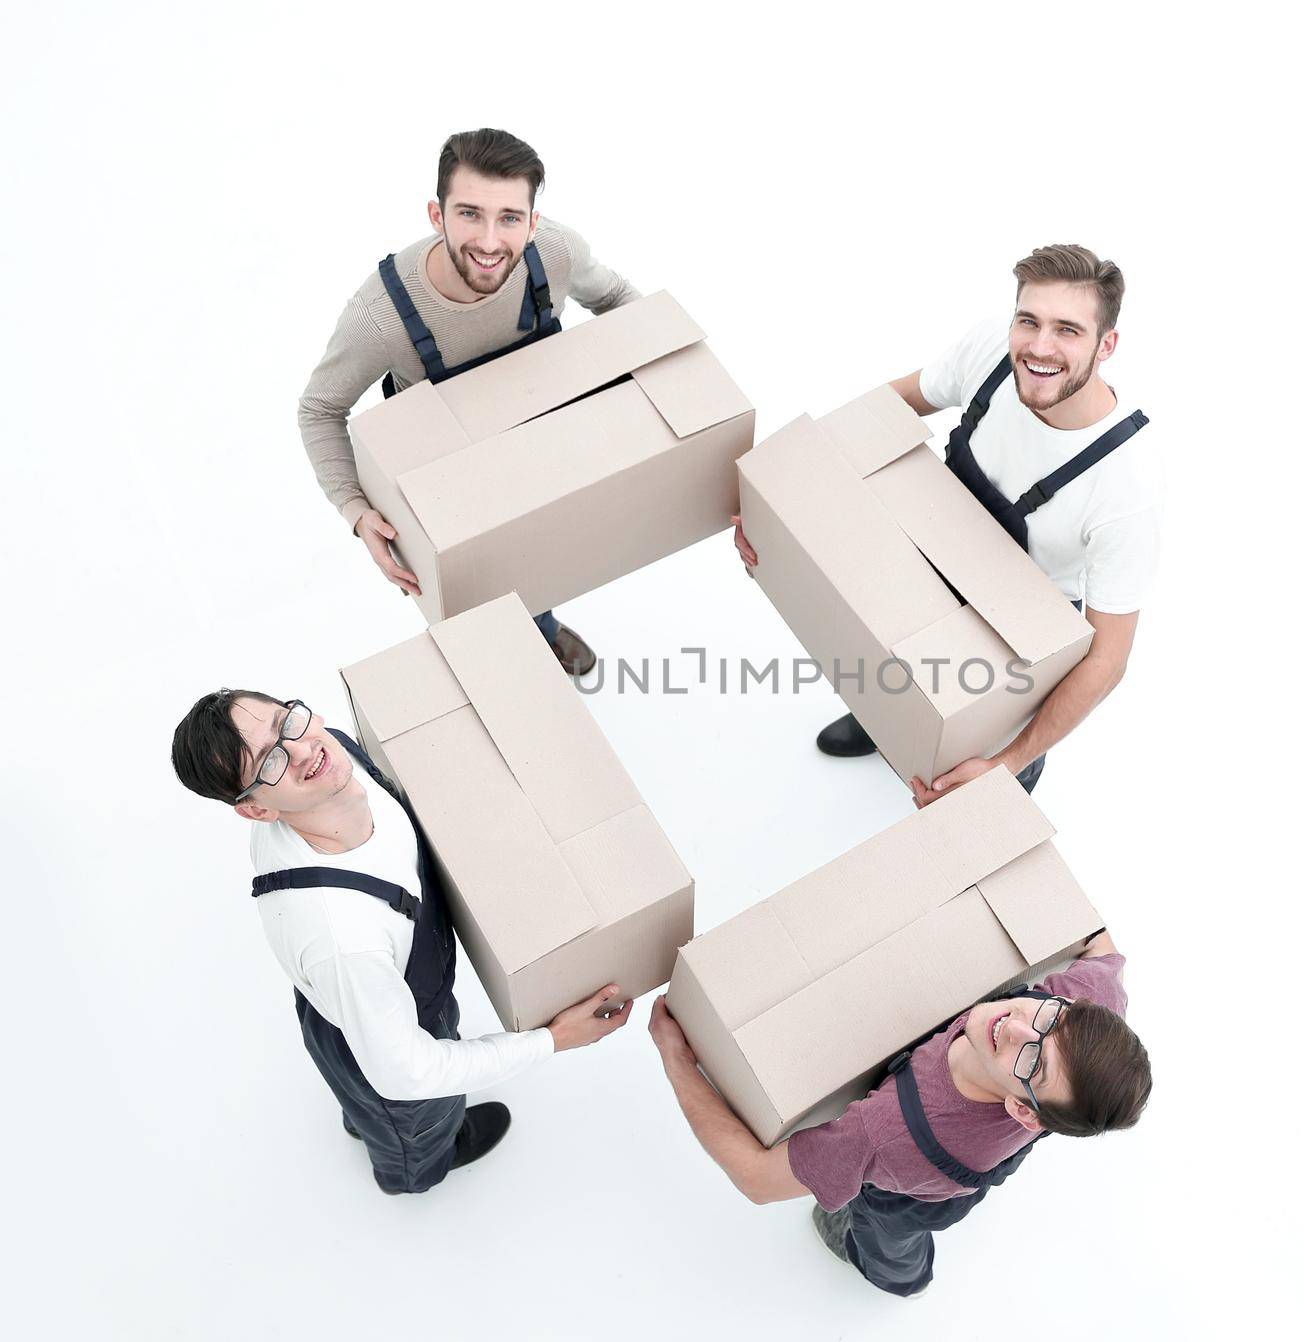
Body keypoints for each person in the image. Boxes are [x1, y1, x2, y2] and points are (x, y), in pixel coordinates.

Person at [733, 244, 1160, 800]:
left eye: (1067, 330)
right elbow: (890, 407)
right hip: (925, 561)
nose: (1039, 347)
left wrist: (1007, 762)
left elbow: (1108, 660)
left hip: (1016, 641)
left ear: (1107, 345)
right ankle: (881, 719)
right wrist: (783, 502)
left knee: (980, 789)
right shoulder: (990, 351)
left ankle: (1007, 782)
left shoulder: (1125, 489)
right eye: (1028, 321)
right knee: (885, 672)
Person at [171, 689, 634, 1194]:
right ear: (256, 810)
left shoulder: (335, 761)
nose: (303, 749)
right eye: (269, 759)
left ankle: (364, 1111)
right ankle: (415, 1166)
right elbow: (408, 1074)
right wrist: (553, 1039)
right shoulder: (344, 939)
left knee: (369, 1080)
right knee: (413, 1121)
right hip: (383, 1035)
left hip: (365, 1000)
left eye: (285, 723)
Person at [299, 127, 643, 675]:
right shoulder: (381, 315)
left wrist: (650, 387)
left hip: (538, 423)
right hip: (446, 465)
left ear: (534, 222)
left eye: (509, 217)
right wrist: (356, 512)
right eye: (469, 214)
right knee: (481, 582)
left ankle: (541, 620)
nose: (488, 240)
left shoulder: (554, 251)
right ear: (437, 216)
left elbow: (619, 299)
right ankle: (527, 641)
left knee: (547, 537)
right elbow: (319, 408)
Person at [648, 927, 1149, 1297]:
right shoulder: (1091, 1006)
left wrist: (677, 1059)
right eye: (1048, 1019)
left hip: (918, 1190)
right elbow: (1098, 942)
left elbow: (757, 1178)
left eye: (1034, 1064)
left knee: (876, 1233)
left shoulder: (888, 1137)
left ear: (1023, 1112)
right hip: (987, 1138)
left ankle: (899, 1278)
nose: (1017, 1024)